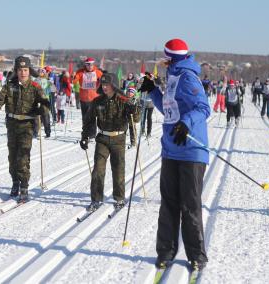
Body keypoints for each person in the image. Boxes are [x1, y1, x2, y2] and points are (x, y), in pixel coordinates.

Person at [140, 38, 210, 271]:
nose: (162, 60)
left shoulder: (187, 76)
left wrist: (187, 124)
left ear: (172, 58)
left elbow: (203, 107)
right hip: (171, 149)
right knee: (168, 204)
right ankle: (165, 252)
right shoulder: (172, 76)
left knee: (189, 205)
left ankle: (196, 255)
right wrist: (152, 92)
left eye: (165, 57)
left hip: (191, 150)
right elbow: (168, 109)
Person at [0, 56, 49, 202]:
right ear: (16, 71)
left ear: (29, 71)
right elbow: (0, 99)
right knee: (12, 157)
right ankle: (15, 182)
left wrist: (43, 111)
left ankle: (24, 186)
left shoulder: (35, 87)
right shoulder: (9, 86)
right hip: (12, 125)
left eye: (25, 70)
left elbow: (45, 103)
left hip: (27, 126)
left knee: (23, 156)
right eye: (20, 70)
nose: (23, 73)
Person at [79, 73, 140, 212]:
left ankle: (119, 198)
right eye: (103, 84)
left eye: (108, 85)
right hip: (103, 138)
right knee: (98, 170)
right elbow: (88, 121)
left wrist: (134, 108)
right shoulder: (97, 101)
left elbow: (135, 119)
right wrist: (85, 136)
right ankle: (96, 199)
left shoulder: (123, 100)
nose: (105, 87)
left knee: (118, 169)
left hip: (118, 139)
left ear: (114, 85)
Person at [73, 58, 103, 140]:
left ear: (93, 64)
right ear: (85, 65)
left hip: (94, 99)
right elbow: (75, 81)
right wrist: (74, 78)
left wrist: (102, 80)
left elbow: (104, 79)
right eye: (88, 64)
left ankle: (92, 135)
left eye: (91, 64)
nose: (90, 66)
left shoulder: (97, 72)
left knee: (92, 117)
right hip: (84, 99)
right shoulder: (80, 72)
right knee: (85, 118)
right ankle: (85, 135)